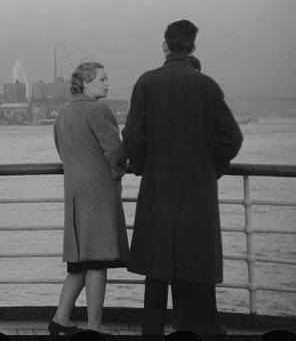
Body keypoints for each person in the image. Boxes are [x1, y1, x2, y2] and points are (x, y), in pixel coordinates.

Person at [122, 20, 243, 335]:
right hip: (198, 194)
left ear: (165, 45)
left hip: (158, 190)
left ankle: (153, 333)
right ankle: (199, 330)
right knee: (196, 269)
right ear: (192, 48)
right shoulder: (207, 86)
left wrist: (144, 166)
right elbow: (232, 138)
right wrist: (210, 168)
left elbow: (133, 136)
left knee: (156, 272)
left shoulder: (146, 83)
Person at [49, 62, 128, 336]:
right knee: (98, 259)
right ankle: (94, 326)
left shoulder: (63, 113)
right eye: (102, 79)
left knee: (80, 259)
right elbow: (116, 151)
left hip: (74, 190)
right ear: (85, 83)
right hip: (99, 191)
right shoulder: (98, 110)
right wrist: (117, 173)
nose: (107, 83)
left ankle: (60, 319)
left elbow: (61, 148)